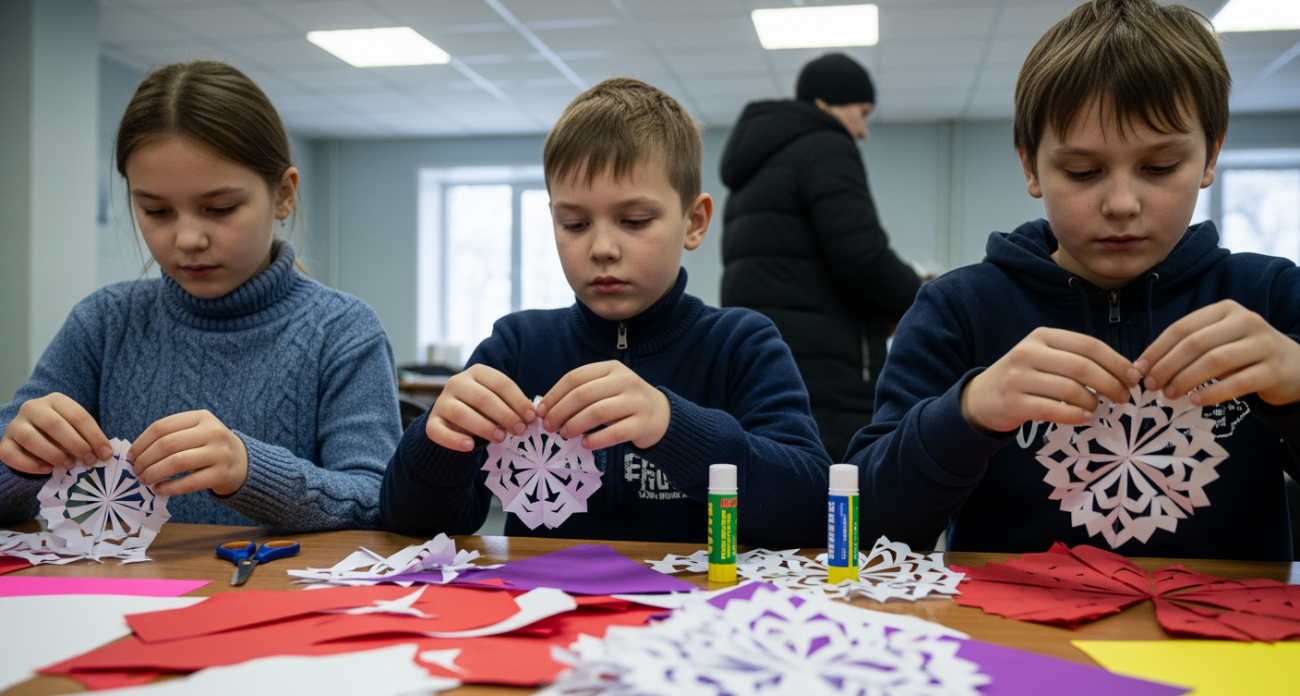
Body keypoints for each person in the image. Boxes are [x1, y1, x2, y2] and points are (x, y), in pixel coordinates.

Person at [848, 0, 1300, 561]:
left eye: (1159, 168)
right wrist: (968, 413)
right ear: (1030, 166)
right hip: (1012, 642)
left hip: (1230, 641)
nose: (1121, 204)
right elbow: (860, 526)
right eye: (1082, 172)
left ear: (1211, 155)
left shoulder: (1272, 297)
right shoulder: (958, 310)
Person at [382, 78, 832, 547]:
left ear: (693, 222)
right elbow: (408, 524)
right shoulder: (517, 346)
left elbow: (812, 505)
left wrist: (674, 426)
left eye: (634, 221)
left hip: (695, 612)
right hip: (545, 611)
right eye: (573, 224)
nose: (601, 248)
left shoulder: (741, 344)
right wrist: (438, 444)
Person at [0, 61, 401, 532]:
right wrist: (20, 462)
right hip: (114, 599)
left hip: (276, 599)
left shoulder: (342, 330)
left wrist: (252, 471)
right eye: (156, 210)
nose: (187, 238)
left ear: (284, 195)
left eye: (219, 208)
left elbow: (380, 502)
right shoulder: (104, 322)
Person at [719, 53, 922, 462]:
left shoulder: (752, 169)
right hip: (827, 375)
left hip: (763, 364)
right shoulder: (827, 145)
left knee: (779, 489)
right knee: (838, 504)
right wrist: (926, 300)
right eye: (861, 113)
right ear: (827, 104)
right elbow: (862, 256)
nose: (862, 131)